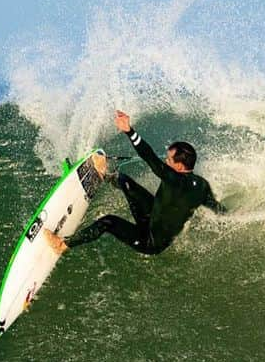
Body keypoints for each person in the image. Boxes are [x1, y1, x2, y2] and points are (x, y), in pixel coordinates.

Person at [45, 110, 224, 257]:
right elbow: (216, 208)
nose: (166, 161)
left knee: (108, 222)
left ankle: (62, 245)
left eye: (169, 159)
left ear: (179, 165)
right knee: (124, 180)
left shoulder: (174, 179)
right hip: (153, 215)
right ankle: (104, 175)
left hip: (150, 241)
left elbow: (150, 157)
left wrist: (129, 131)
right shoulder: (202, 185)